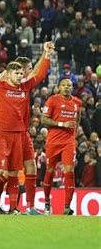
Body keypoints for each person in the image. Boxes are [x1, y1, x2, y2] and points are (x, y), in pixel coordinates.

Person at [0, 43, 52, 214]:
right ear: (8, 74)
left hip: (19, 134)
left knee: (14, 172)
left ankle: (15, 208)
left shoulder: (25, 88)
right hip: (1, 134)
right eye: (17, 73)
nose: (21, 76)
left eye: (22, 73)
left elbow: (40, 73)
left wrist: (47, 54)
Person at [41, 79, 82, 215]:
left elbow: (78, 118)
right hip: (53, 142)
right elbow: (43, 119)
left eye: (69, 85)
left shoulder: (77, 102)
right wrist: (62, 125)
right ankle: (46, 202)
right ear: (59, 87)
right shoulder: (52, 100)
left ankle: (66, 207)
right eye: (64, 85)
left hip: (68, 142)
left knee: (69, 172)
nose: (66, 87)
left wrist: (73, 133)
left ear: (72, 87)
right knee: (50, 172)